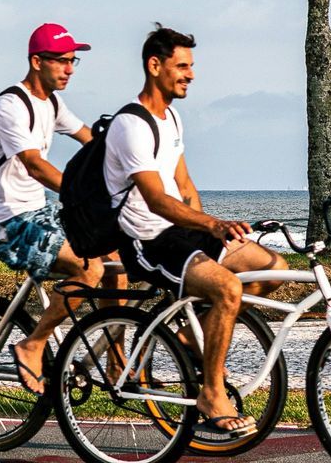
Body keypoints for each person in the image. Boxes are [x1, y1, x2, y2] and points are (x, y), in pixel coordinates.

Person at [104, 24, 285, 437]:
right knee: (227, 290)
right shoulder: (132, 124)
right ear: (155, 65)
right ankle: (212, 392)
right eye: (182, 65)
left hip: (180, 233)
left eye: (192, 66)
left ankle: (190, 334)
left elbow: (184, 187)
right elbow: (154, 199)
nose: (191, 74)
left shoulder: (171, 118)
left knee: (272, 267)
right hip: (147, 240)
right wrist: (212, 226)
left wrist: (212, 237)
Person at [0, 21, 104, 395]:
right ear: (36, 61)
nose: (69, 69)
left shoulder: (53, 103)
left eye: (73, 61)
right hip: (6, 222)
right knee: (88, 266)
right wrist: (80, 193)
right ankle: (33, 345)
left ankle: (115, 360)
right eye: (61, 61)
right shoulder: (11, 106)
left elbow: (90, 141)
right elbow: (35, 164)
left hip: (39, 212)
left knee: (115, 254)